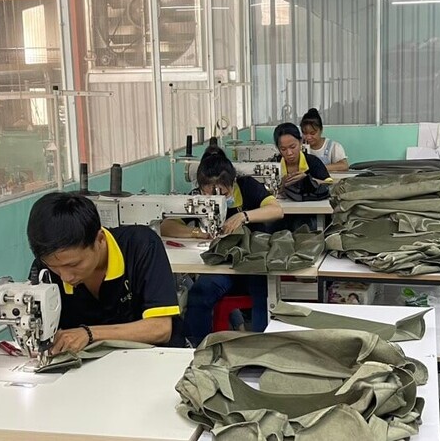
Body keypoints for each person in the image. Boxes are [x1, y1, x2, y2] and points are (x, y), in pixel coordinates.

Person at [27, 192, 183, 354]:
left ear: (100, 239)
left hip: (157, 359)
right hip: (91, 366)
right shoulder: (44, 271)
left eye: (74, 264)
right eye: (55, 267)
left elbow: (161, 329)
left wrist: (89, 334)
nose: (65, 277)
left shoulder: (141, 246)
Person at [161, 147, 284, 346]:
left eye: (223, 193)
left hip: (252, 262)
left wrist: (243, 216)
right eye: (209, 195)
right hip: (221, 265)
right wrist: (196, 233)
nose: (215, 199)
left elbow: (277, 210)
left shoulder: (247, 186)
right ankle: (197, 348)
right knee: (199, 293)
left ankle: (262, 347)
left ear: (233, 182)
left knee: (262, 294)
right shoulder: (196, 198)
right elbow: (167, 225)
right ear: (200, 188)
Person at [274, 122, 333, 187]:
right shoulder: (273, 164)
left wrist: (308, 180)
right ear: (278, 148)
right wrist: (281, 184)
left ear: (300, 142)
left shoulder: (312, 161)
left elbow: (329, 184)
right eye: (283, 149)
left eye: (293, 147)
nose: (289, 153)